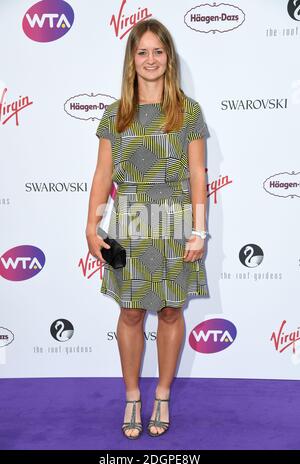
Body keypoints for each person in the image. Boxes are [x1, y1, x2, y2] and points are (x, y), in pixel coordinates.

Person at [86, 18, 209, 439]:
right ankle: (133, 395)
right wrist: (91, 226)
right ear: (131, 59)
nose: (151, 59)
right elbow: (103, 175)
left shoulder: (188, 110)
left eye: (158, 51)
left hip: (175, 222)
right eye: (143, 52)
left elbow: (198, 176)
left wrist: (200, 231)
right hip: (129, 222)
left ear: (168, 57)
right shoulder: (115, 114)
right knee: (131, 311)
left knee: (172, 310)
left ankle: (163, 395)